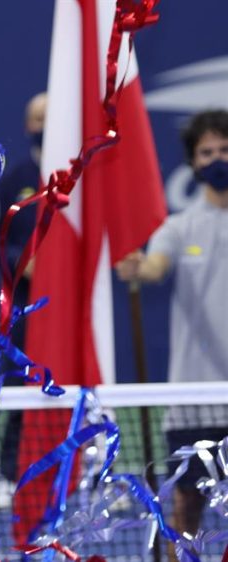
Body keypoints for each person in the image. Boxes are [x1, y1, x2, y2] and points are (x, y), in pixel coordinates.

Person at [115, 109, 228, 560]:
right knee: (188, 501)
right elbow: (157, 266)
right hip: (194, 398)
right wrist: (140, 267)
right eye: (207, 152)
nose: (217, 158)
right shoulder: (179, 228)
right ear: (193, 162)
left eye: (224, 149)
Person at [0, 92, 46, 506]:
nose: (45, 124)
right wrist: (21, 263)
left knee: (86, 382)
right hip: (27, 303)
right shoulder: (17, 178)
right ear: (29, 125)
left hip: (76, 301)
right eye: (38, 118)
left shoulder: (80, 170)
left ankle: (93, 469)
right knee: (21, 382)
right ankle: (9, 471)